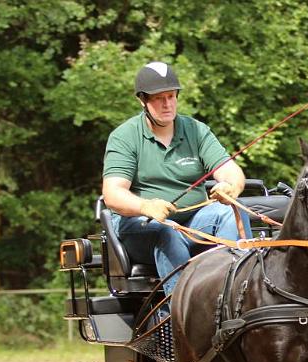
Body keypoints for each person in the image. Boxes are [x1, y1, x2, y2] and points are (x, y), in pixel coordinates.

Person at [102, 61, 249, 299]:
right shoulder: (125, 137)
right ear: (143, 101)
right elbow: (113, 194)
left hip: (192, 221)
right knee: (165, 232)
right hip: (141, 227)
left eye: (171, 96)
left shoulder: (196, 130)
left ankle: (235, 298)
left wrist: (230, 186)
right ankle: (183, 315)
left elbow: (230, 170)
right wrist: (145, 206)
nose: (167, 104)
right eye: (159, 98)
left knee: (233, 211)